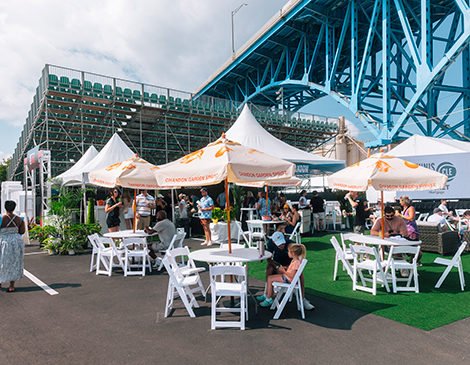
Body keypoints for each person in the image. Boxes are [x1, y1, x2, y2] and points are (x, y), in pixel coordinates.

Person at [257, 228, 314, 310]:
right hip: (278, 263)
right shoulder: (270, 243)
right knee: (269, 269)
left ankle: (302, 299)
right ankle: (268, 294)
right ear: (273, 242)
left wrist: (288, 269)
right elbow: (269, 259)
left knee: (300, 273)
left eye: (283, 243)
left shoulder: (291, 245)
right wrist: (278, 267)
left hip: (289, 265)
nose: (282, 246)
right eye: (279, 244)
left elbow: (299, 252)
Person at [0, 200, 26, 292]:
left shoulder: (1, 218)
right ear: (14, 208)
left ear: (5, 207)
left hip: (3, 241)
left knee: (1, 262)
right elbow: (22, 231)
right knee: (14, 262)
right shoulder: (19, 219)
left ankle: (0, 282)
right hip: (16, 242)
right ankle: (11, 286)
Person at [398, 195, 422, 264]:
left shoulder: (411, 208)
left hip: (411, 230)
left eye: (400, 201)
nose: (399, 203)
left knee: (414, 248)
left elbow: (411, 218)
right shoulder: (405, 208)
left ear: (403, 201)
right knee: (408, 247)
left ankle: (415, 260)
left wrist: (401, 216)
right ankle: (412, 261)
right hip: (406, 230)